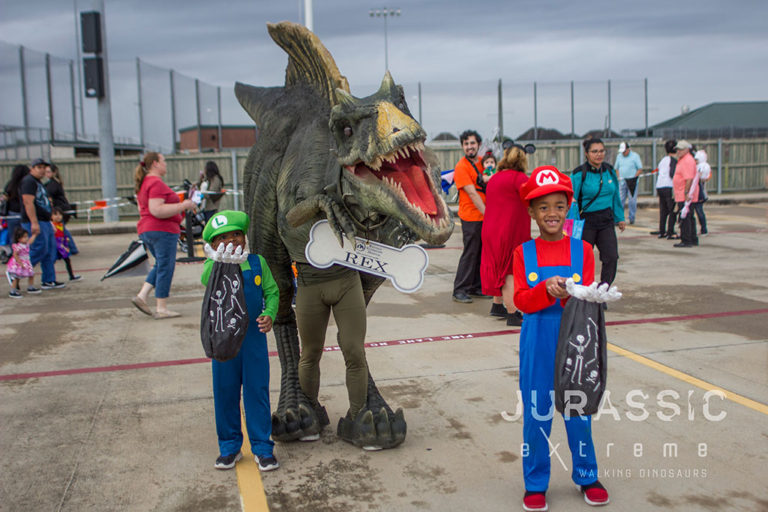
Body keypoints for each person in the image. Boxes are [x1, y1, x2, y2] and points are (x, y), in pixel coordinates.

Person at [512, 165, 609, 511]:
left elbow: (584, 295)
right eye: (543, 207)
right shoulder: (523, 252)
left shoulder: (583, 250)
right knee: (537, 415)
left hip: (574, 340)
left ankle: (587, 474)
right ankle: (535, 481)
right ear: (532, 212)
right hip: (538, 340)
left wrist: (578, 292)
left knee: (577, 411)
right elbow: (520, 301)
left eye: (558, 205)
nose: (551, 213)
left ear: (568, 207)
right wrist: (545, 290)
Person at [201, 210, 280, 472]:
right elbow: (206, 281)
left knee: (257, 392)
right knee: (225, 392)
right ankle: (229, 447)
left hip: (254, 340)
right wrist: (220, 262)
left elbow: (272, 291)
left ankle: (262, 447)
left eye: (237, 234)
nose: (233, 241)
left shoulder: (257, 263)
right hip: (224, 341)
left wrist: (269, 313)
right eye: (224, 238)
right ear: (213, 245)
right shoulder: (212, 266)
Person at [131, 152, 196, 318]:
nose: (165, 164)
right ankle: (161, 306)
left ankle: (142, 295)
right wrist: (184, 205)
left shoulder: (144, 183)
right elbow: (157, 210)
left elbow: (143, 209)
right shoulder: (156, 183)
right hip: (162, 230)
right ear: (155, 164)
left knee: (160, 264)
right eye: (163, 161)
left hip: (148, 229)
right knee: (166, 266)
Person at [480, 143, 531, 327]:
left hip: (491, 229)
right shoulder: (520, 179)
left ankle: (497, 305)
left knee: (498, 266)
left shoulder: (494, 178)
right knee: (510, 270)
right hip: (510, 230)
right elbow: (530, 200)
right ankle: (513, 313)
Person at [570, 138, 625, 286]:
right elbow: (570, 200)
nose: (598, 154)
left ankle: (603, 290)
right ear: (587, 154)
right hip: (586, 221)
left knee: (611, 257)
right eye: (594, 151)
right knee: (583, 259)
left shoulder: (609, 170)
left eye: (601, 151)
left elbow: (615, 196)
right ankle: (584, 289)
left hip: (606, 220)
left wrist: (620, 217)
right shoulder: (579, 174)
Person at [452, 129, 489, 303]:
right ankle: (460, 289)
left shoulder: (484, 162)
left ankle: (475, 286)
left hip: (483, 215)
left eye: (472, 143)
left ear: (479, 145)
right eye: (466, 144)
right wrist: (488, 214)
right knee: (470, 253)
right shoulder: (461, 167)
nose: (469, 147)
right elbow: (472, 194)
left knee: (481, 253)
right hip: (471, 216)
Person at [20, 158, 65, 290]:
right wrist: (34, 222)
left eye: (43, 167)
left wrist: (49, 220)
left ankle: (48, 279)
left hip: (45, 220)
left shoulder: (38, 182)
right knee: (39, 249)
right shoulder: (28, 182)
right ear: (32, 168)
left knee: (49, 251)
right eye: (38, 167)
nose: (42, 170)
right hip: (35, 221)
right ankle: (18, 272)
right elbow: (28, 203)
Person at [44, 163, 78, 254]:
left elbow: (49, 197)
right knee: (61, 229)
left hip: (60, 209)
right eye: (46, 172)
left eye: (49, 172)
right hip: (59, 209)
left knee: (62, 229)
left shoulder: (53, 184)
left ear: (54, 172)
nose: (47, 174)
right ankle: (68, 248)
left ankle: (72, 248)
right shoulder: (52, 183)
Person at [672, 140, 699, 248]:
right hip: (682, 193)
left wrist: (686, 192)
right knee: (688, 216)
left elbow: (689, 179)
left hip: (685, 194)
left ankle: (687, 239)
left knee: (685, 217)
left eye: (680, 149)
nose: (678, 151)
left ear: (687, 150)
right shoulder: (683, 159)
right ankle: (692, 238)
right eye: (677, 149)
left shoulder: (687, 160)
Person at [652, 140, 678, 239]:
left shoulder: (663, 160)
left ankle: (662, 231)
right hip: (669, 186)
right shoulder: (673, 160)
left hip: (660, 186)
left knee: (663, 210)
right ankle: (670, 231)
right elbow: (672, 174)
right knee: (672, 210)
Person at [614, 141, 643, 225]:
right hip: (622, 181)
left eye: (624, 151)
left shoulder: (635, 156)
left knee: (632, 201)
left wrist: (634, 178)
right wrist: (619, 177)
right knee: (620, 200)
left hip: (632, 182)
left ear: (628, 149)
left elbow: (640, 168)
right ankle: (619, 218)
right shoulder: (619, 156)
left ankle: (632, 217)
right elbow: (617, 168)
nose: (623, 153)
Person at [7, 226, 38, 298]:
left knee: (31, 274)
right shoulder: (18, 246)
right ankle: (13, 291)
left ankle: (31, 287)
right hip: (20, 262)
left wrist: (34, 235)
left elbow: (30, 241)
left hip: (26, 261)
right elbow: (15, 254)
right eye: (24, 237)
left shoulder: (26, 244)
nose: (27, 238)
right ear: (19, 239)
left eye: (27, 236)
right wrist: (19, 262)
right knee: (16, 277)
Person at [51, 207, 81, 282]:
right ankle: (51, 278)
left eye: (60, 214)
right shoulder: (51, 225)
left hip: (61, 245)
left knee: (67, 260)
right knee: (52, 261)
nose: (58, 216)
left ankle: (71, 276)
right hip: (55, 245)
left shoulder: (61, 225)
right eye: (55, 214)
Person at [3, 164, 29, 241]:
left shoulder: (10, 184)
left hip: (12, 214)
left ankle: (14, 251)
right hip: (25, 213)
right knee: (26, 236)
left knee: (13, 236)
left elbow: (5, 197)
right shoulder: (27, 184)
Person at [693, 149, 711, 236]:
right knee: (698, 211)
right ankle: (702, 228)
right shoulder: (705, 166)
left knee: (699, 211)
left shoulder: (702, 166)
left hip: (700, 192)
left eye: (696, 159)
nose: (695, 161)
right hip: (699, 191)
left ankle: (704, 229)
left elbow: (701, 177)